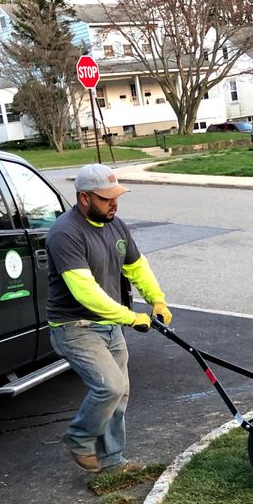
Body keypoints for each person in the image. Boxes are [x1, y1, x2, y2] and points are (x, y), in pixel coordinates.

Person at [44, 164, 172, 473]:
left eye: (116, 197)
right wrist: (131, 317)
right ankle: (79, 438)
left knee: (121, 393)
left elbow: (137, 267)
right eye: (106, 198)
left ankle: (113, 462)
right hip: (74, 327)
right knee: (110, 387)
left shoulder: (117, 226)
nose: (114, 203)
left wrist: (158, 300)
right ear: (84, 198)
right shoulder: (65, 233)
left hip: (109, 325)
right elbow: (85, 293)